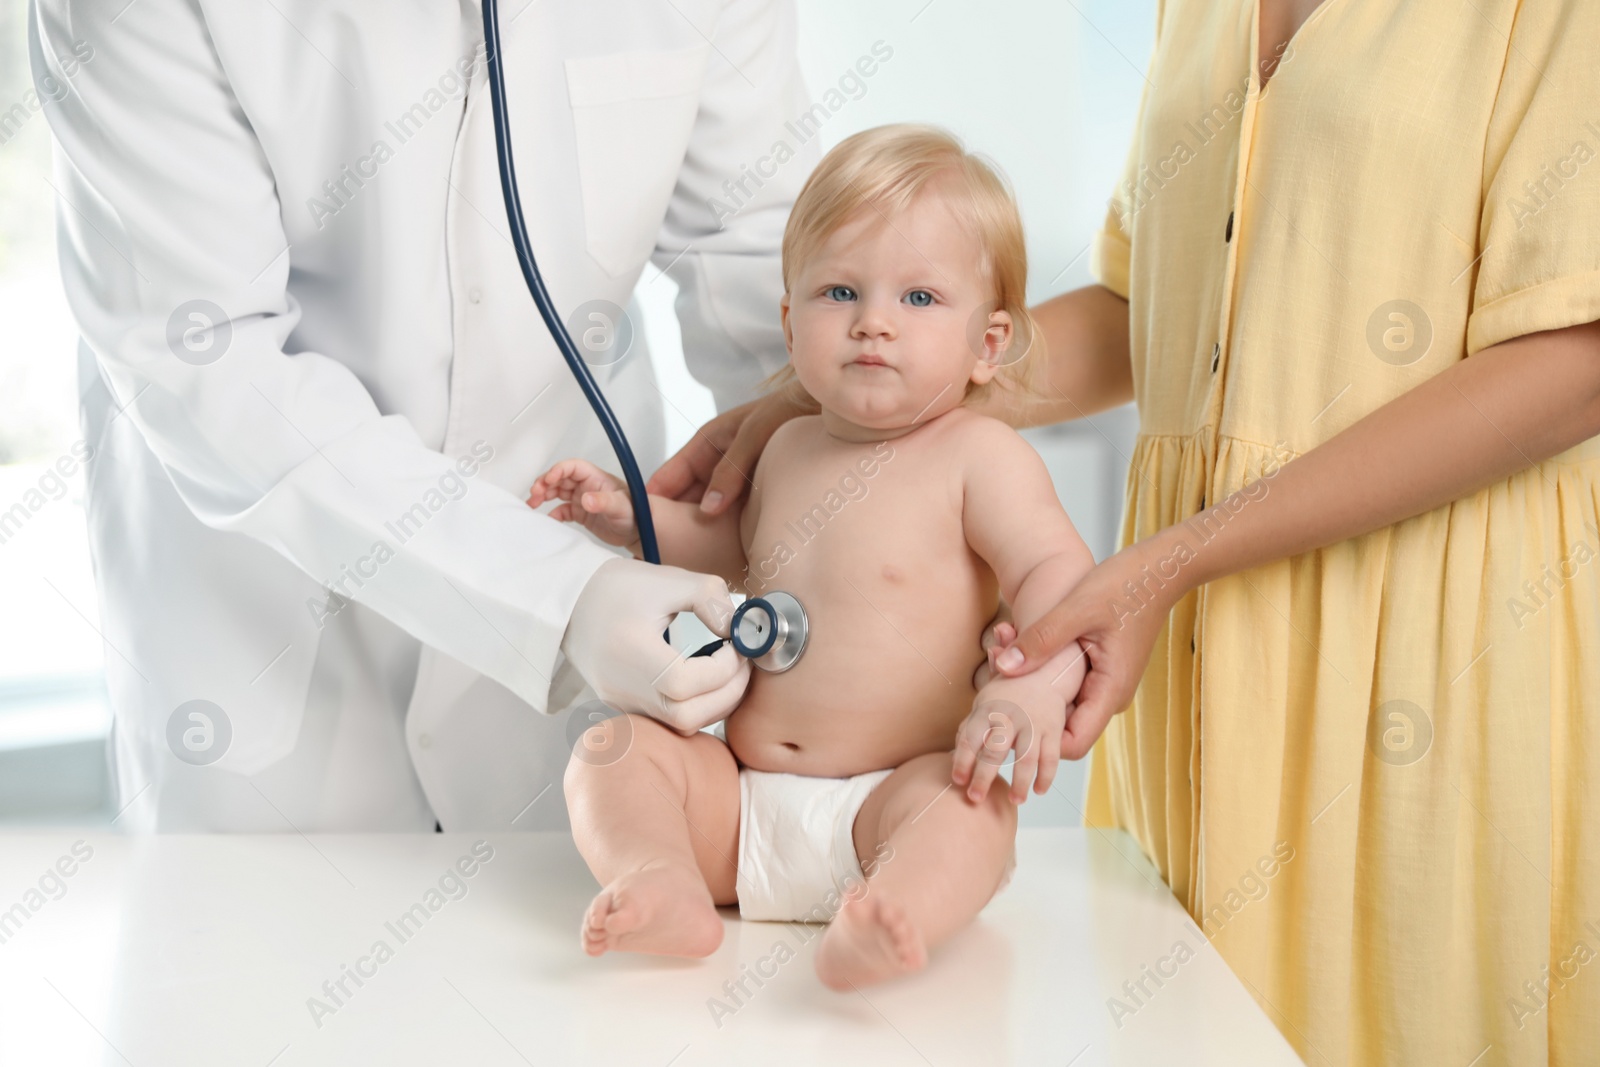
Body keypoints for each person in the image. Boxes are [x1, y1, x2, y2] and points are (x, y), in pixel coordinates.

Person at [649, 1, 1600, 1061]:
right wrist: (845, 396)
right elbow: (1146, 310)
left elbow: (1574, 356)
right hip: (1186, 646)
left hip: (1424, 624)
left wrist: (1176, 556)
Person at [31, 0, 817, 831]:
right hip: (269, 639)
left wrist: (887, 513)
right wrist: (557, 596)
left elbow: (772, 264)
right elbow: (209, 364)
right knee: (256, 946)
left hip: (598, 634)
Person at [530, 126, 1093, 988]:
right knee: (612, 751)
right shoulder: (786, 447)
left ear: (988, 344)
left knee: (971, 809)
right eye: (840, 291)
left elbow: (1056, 571)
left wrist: (1027, 683)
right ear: (792, 326)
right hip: (740, 797)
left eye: (919, 298)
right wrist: (631, 515)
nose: (873, 321)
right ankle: (662, 875)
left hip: (890, 803)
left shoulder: (980, 459)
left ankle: (894, 915)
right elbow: (727, 555)